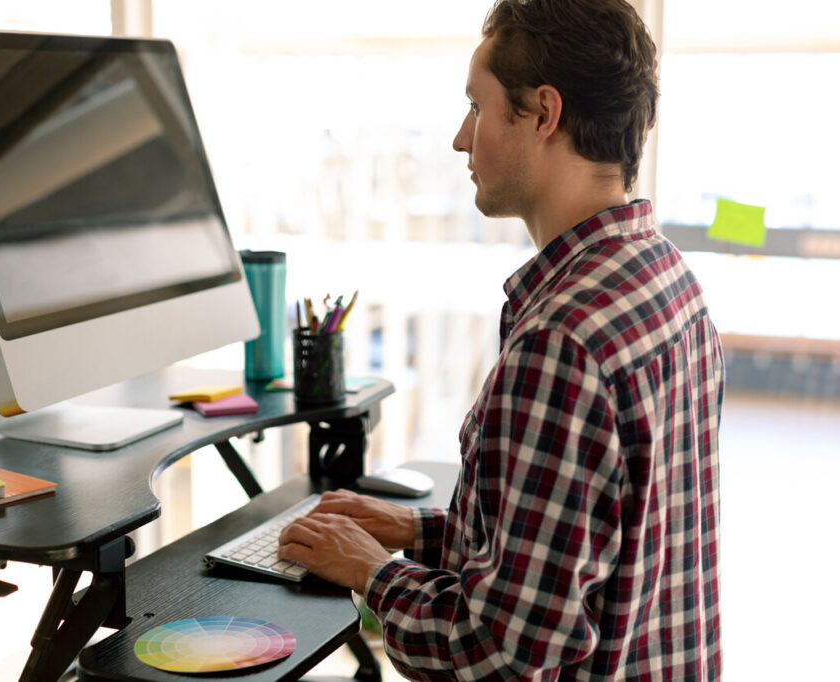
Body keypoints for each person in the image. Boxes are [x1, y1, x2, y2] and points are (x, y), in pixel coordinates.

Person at [278, 0, 724, 679]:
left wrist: (372, 571)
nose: (461, 138)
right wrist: (415, 530)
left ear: (544, 114)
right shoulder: (667, 280)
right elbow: (575, 551)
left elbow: (498, 656)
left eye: (477, 108)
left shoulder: (563, 343)